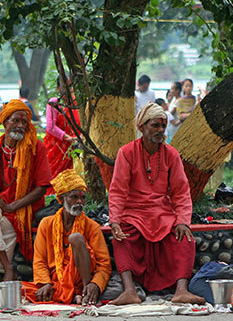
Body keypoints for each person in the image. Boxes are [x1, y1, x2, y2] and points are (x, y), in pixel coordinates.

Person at [107, 102, 206, 306]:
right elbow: (117, 191)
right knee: (121, 238)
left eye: (163, 125)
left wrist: (182, 221)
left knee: (184, 239)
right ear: (142, 127)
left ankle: (181, 290)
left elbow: (181, 193)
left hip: (163, 214)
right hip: (133, 214)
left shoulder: (171, 154)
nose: (160, 130)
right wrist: (115, 221)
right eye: (155, 125)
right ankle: (129, 291)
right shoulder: (126, 153)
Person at [0, 99, 51, 286]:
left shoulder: (36, 147)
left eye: (24, 122)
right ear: (5, 122)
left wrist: (11, 206)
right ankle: (7, 268)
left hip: (24, 210)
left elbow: (42, 187)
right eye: (16, 120)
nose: (21, 125)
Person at [23, 170, 112, 305]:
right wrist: (45, 283)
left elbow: (104, 264)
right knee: (20, 290)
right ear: (61, 199)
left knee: (76, 238)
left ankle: (83, 292)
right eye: (74, 197)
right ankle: (72, 296)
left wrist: (95, 284)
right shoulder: (46, 224)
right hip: (56, 280)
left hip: (83, 279)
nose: (79, 202)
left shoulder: (92, 226)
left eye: (82, 198)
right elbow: (40, 260)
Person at [44, 79, 80, 185]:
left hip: (77, 146)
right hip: (57, 148)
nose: (68, 90)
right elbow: (51, 127)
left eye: (70, 86)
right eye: (65, 87)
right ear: (58, 88)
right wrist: (68, 137)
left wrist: (80, 138)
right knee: (54, 180)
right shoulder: (54, 103)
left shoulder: (78, 103)